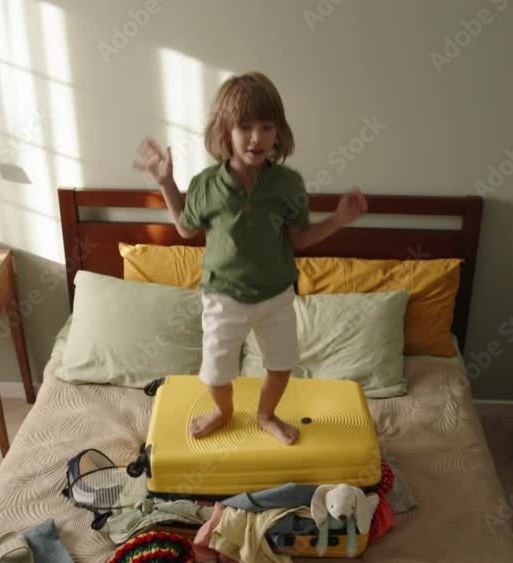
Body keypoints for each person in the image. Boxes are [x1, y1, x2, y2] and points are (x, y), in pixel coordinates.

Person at [134, 72, 367, 444]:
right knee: (215, 373)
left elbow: (301, 238)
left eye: (266, 126)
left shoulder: (287, 184)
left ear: (278, 133)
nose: (256, 137)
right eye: (245, 127)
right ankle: (223, 411)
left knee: (281, 365)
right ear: (225, 131)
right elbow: (184, 228)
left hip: (275, 295)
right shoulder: (207, 185)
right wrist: (165, 183)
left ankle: (265, 414)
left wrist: (339, 220)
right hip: (223, 296)